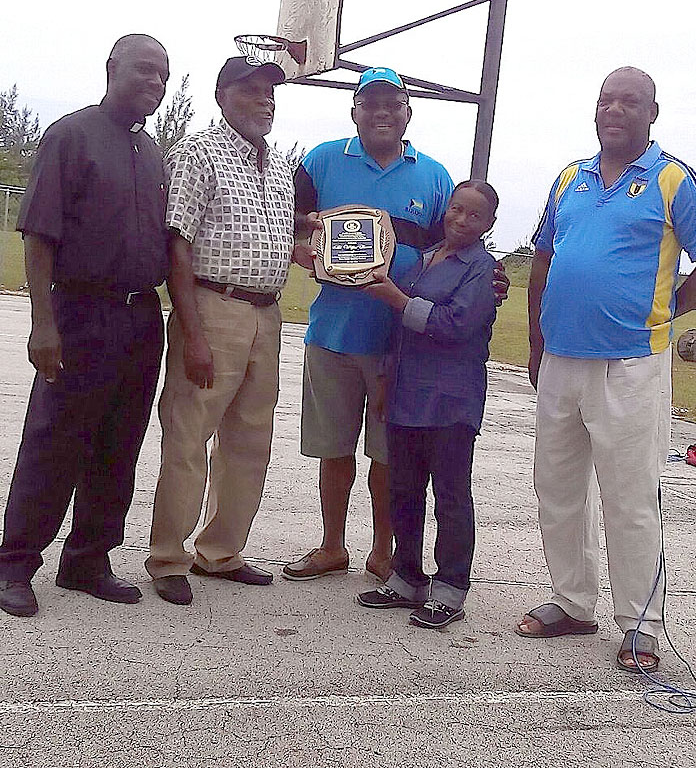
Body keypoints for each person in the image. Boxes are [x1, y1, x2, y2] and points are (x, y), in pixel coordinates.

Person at [283, 67, 508, 584]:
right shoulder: (319, 160)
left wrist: (490, 276)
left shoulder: (432, 176)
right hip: (334, 330)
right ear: (355, 110)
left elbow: (455, 245)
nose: (382, 112)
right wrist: (301, 245)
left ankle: (383, 551)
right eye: (371, 103)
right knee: (333, 449)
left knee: (390, 458)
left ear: (408, 112)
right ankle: (332, 546)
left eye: (393, 104)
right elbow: (288, 219)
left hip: (402, 345)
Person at [517, 67, 696, 672]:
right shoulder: (571, 177)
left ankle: (642, 626)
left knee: (630, 498)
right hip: (562, 357)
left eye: (628, 102)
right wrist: (538, 341)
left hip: (632, 362)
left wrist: (672, 307)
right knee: (558, 490)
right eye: (605, 101)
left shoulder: (672, 179)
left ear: (652, 112)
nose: (614, 110)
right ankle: (573, 601)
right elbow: (542, 255)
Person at [0, 34, 170, 618]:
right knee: (55, 439)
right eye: (144, 70)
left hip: (142, 317)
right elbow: (39, 235)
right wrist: (42, 324)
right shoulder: (70, 136)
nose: (155, 83)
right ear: (112, 69)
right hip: (80, 312)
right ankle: (15, 563)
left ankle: (88, 559)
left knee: (119, 443)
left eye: (164, 75)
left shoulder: (151, 152)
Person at [145, 57, 294, 606]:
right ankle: (168, 557)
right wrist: (193, 332)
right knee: (188, 436)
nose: (264, 100)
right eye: (251, 91)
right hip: (212, 306)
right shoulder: (196, 153)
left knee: (250, 439)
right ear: (221, 94)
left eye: (270, 93)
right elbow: (176, 242)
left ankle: (221, 552)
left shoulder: (279, 165)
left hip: (267, 314)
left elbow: (282, 240)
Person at [356, 180, 497, 629]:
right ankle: (406, 578)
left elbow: (454, 325)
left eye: (474, 215)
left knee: (451, 496)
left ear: (489, 224)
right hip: (405, 394)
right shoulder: (421, 261)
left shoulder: (481, 270)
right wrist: (383, 379)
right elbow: (397, 331)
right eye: (456, 209)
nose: (461, 219)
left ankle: (451, 589)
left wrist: (397, 299)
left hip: (451, 400)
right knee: (404, 491)